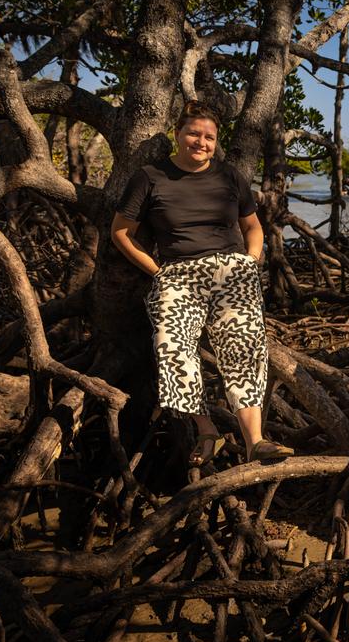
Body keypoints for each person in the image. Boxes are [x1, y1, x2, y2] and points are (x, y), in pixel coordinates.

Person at [110, 100, 291, 466]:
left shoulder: (228, 176)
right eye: (194, 133)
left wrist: (251, 259)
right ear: (178, 134)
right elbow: (121, 233)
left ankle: (255, 440)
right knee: (171, 346)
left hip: (231, 269)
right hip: (178, 272)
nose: (201, 142)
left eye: (209, 137)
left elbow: (252, 225)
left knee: (243, 346)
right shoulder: (150, 177)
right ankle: (206, 429)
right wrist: (157, 271)